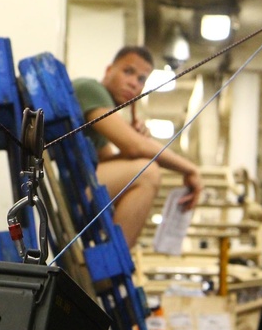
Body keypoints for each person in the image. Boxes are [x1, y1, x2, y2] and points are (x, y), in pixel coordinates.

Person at [72, 46, 203, 247]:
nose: (133, 83)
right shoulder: (93, 90)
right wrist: (190, 168)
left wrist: (135, 139)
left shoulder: (101, 114)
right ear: (109, 71)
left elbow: (111, 160)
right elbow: (135, 148)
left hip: (76, 188)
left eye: (141, 79)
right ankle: (113, 263)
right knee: (147, 172)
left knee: (143, 165)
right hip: (69, 192)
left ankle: (114, 257)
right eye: (128, 72)